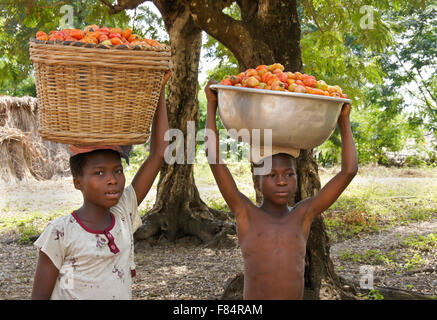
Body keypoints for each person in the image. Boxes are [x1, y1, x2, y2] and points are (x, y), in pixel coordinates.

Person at [204, 80, 358, 299]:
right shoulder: (245, 213)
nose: (282, 181)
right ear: (257, 182)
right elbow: (214, 159)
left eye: (289, 174)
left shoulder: (302, 215)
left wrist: (343, 120)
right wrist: (211, 104)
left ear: (297, 178)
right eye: (271, 175)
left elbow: (349, 171)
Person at [31, 71, 171, 300]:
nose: (112, 179)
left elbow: (158, 153)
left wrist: (160, 90)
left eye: (117, 170)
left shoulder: (123, 211)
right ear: (78, 183)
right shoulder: (60, 232)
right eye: (99, 173)